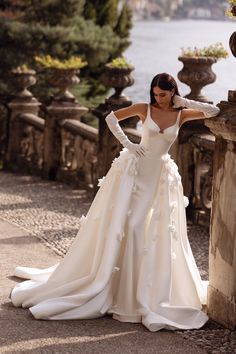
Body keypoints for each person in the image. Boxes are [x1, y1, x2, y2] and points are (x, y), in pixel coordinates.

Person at [10, 73, 220, 332]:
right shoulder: (145, 108)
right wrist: (129, 144)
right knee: (130, 227)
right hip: (135, 173)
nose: (158, 98)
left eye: (163, 94)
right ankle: (123, 294)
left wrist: (182, 101)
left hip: (160, 178)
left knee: (155, 232)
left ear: (172, 92)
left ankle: (143, 293)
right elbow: (111, 118)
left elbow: (213, 111)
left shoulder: (182, 113)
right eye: (155, 94)